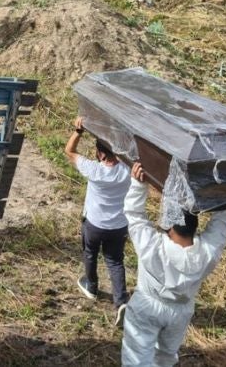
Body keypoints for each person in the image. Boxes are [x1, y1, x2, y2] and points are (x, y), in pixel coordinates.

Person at [121, 162, 226, 367]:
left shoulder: (154, 247)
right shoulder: (207, 253)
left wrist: (139, 185)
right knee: (166, 356)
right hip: (180, 312)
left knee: (136, 358)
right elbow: (222, 223)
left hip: (146, 307)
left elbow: (134, 217)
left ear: (171, 227)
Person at [64, 116, 131, 326]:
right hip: (119, 225)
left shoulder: (94, 169)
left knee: (90, 253)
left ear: (100, 153)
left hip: (94, 224)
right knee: (115, 261)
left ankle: (91, 286)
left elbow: (69, 151)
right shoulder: (127, 171)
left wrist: (78, 131)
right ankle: (120, 301)